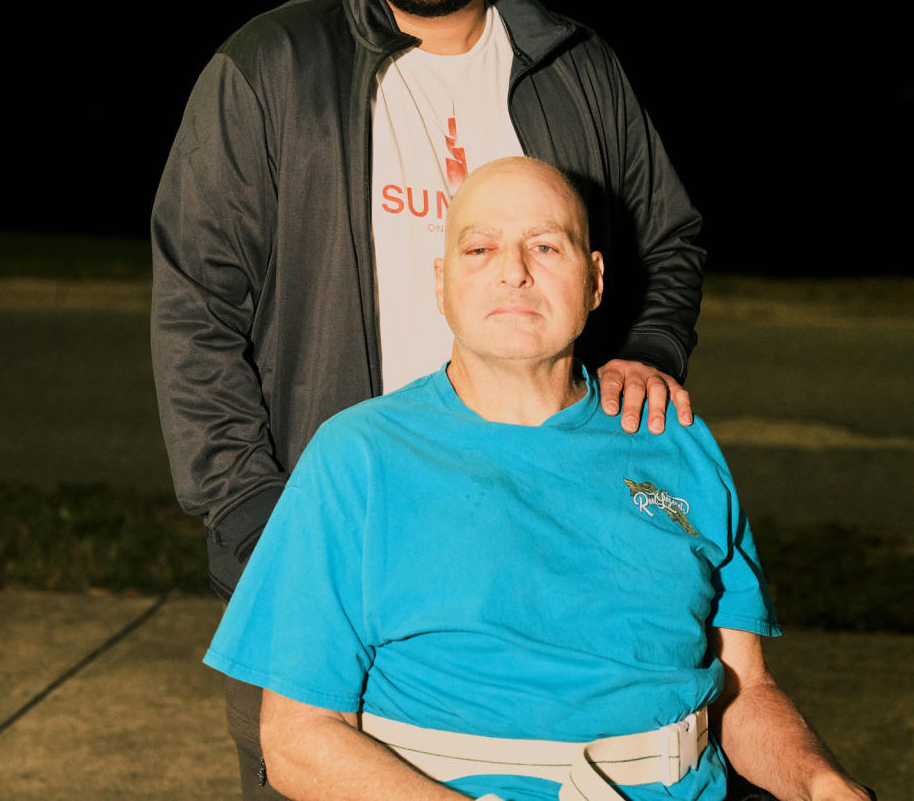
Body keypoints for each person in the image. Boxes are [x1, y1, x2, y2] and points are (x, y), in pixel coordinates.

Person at [151, 0, 704, 797]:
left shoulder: (578, 70)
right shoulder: (267, 71)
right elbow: (195, 315)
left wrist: (647, 351)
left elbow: (667, 240)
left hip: (538, 552)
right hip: (330, 555)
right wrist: (258, 524)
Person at [204, 157, 874, 801]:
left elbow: (744, 689)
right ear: (440, 281)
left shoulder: (676, 440)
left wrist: (819, 780)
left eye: (547, 247)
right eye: (480, 250)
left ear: (596, 280)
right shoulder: (358, 458)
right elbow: (297, 738)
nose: (514, 272)